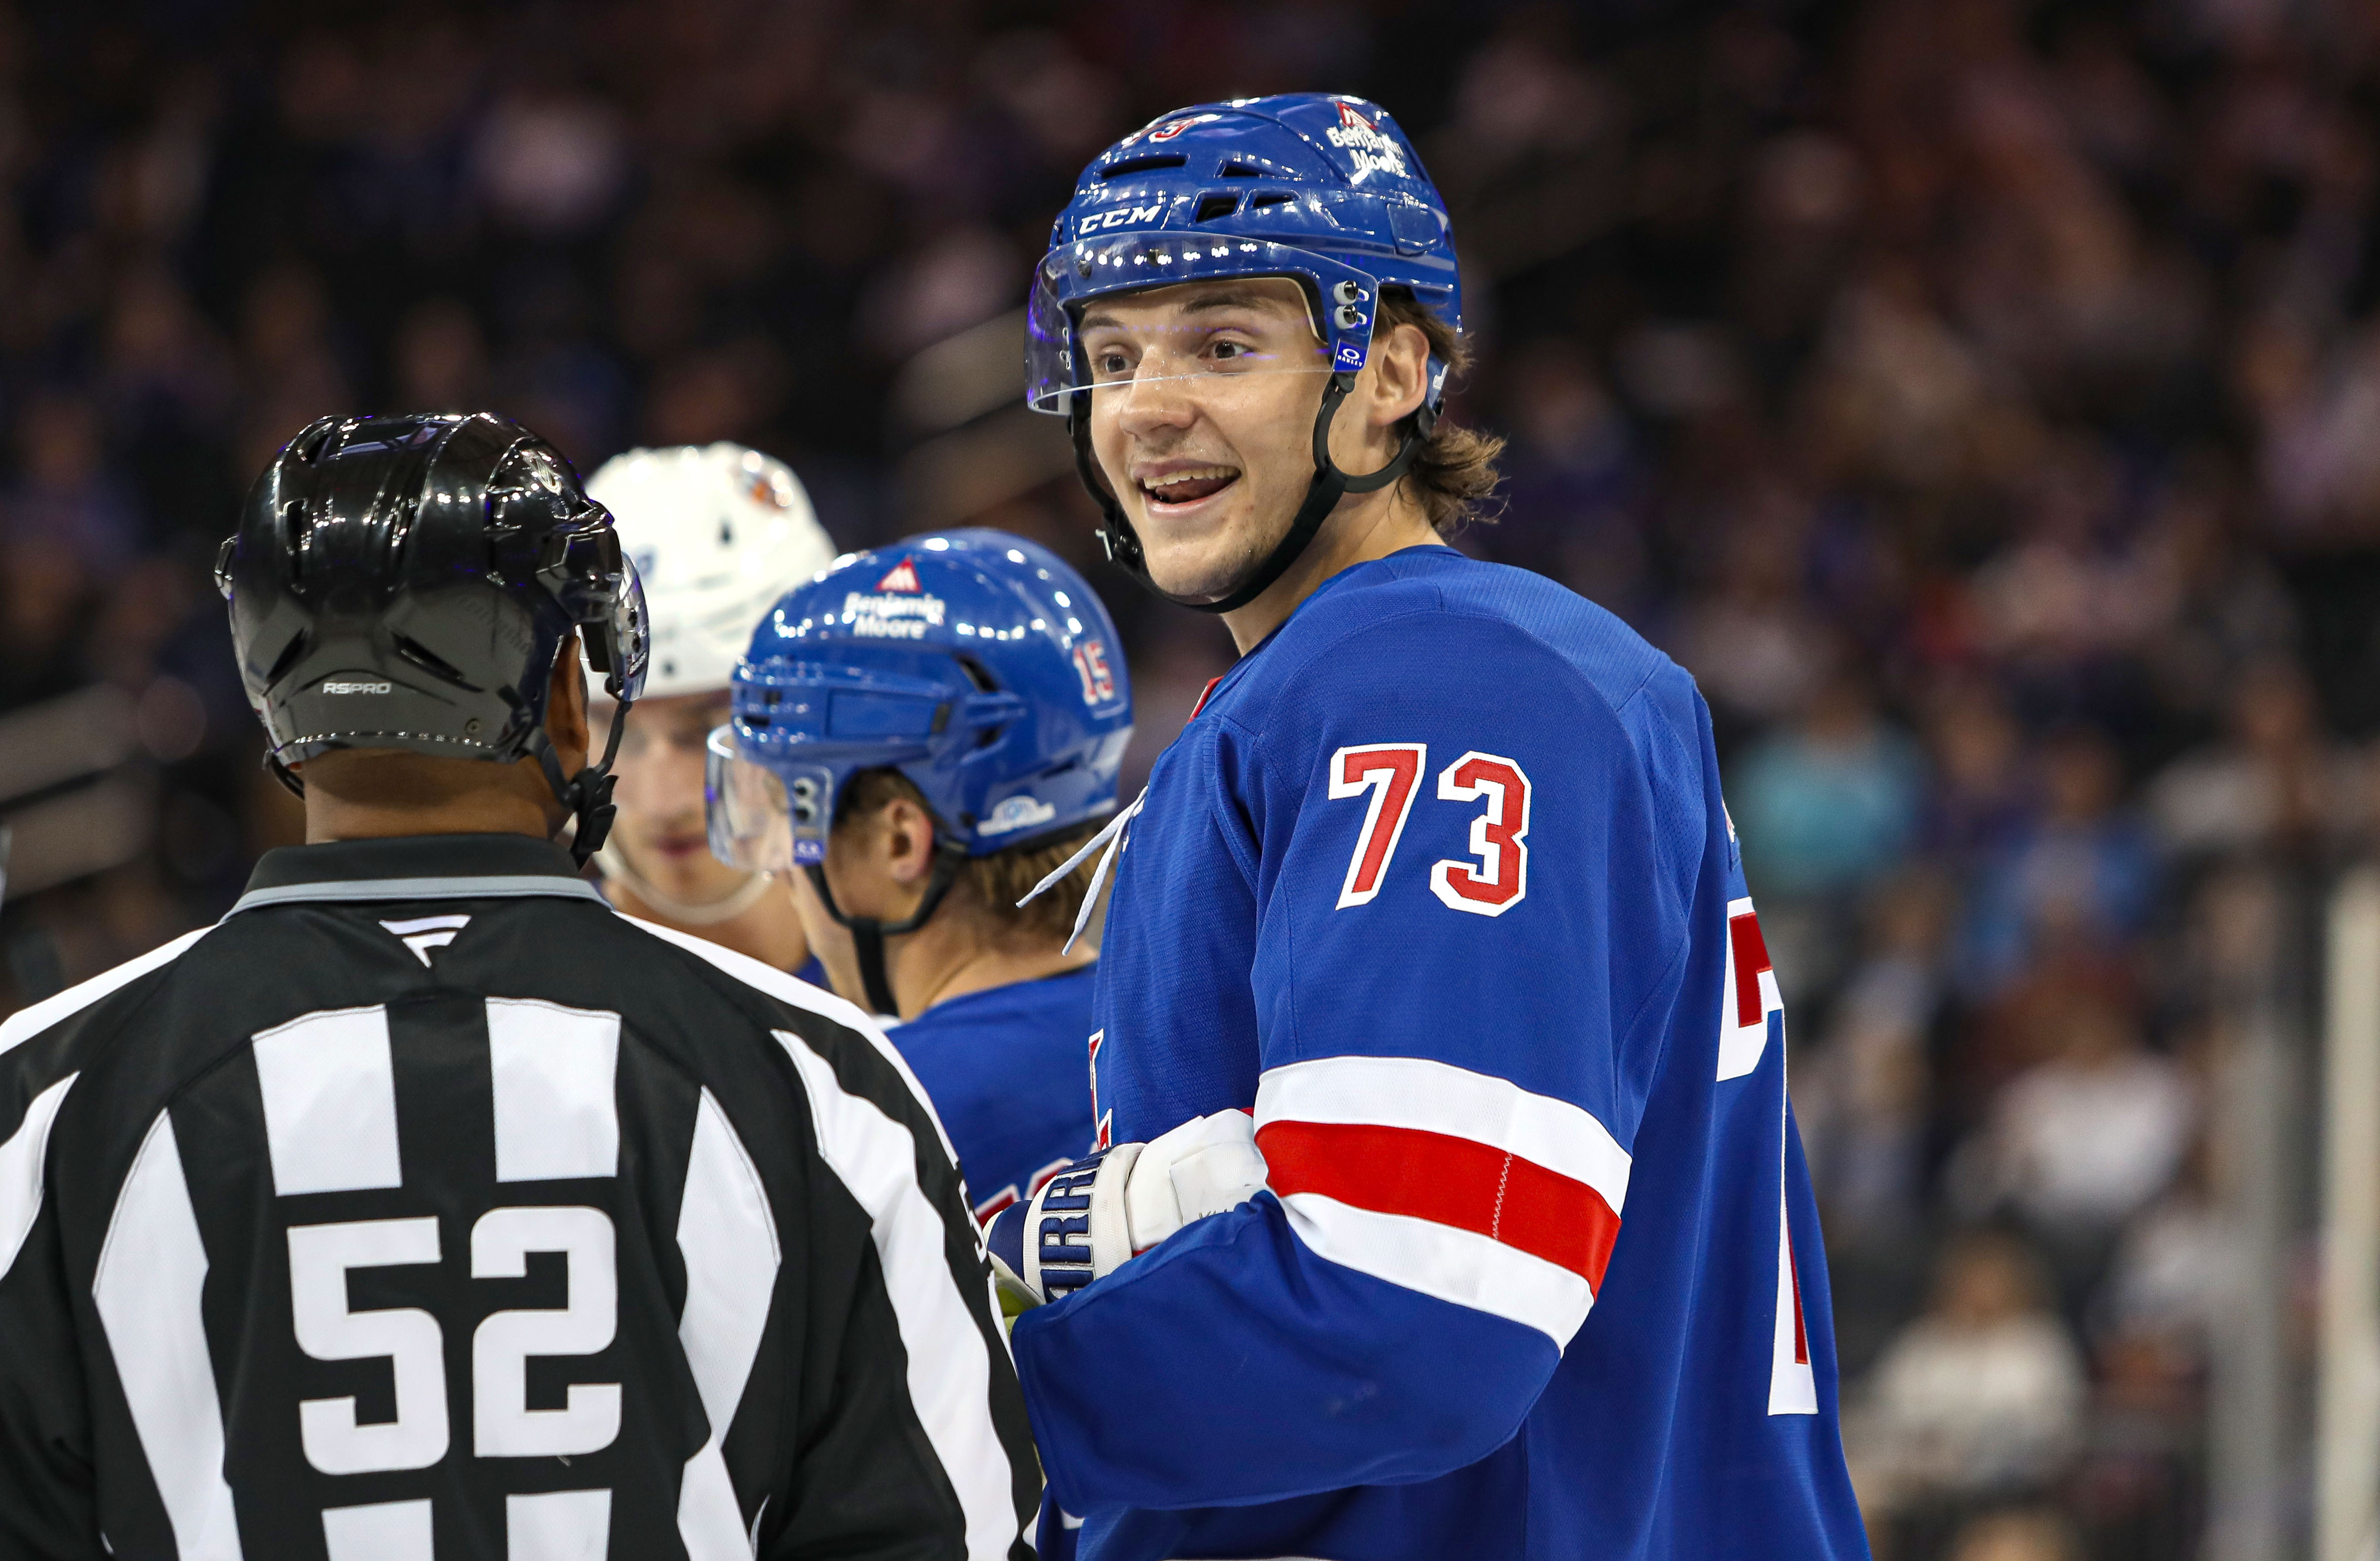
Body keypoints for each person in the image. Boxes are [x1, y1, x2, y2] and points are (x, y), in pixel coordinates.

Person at [977, 94, 1869, 1559]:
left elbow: (1418, 1299)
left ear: (1391, 369)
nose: (1145, 402)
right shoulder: (1342, 688)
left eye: (1222, 343)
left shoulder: (1437, 677)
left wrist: (934, 1398)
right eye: (1113, 352)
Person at [0, 414, 1035, 1559]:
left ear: (276, 713)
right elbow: (952, 1531)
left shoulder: (44, 1105)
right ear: (562, 701)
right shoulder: (817, 1086)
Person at [703, 528, 1132, 1219]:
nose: (780, 869)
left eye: (787, 808)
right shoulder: (1184, 1044)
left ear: (900, 839)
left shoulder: (852, 1118)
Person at [581, 442, 835, 980]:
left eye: (706, 731)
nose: (662, 802)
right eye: (616, 730)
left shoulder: (923, 1002)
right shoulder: (528, 1007)